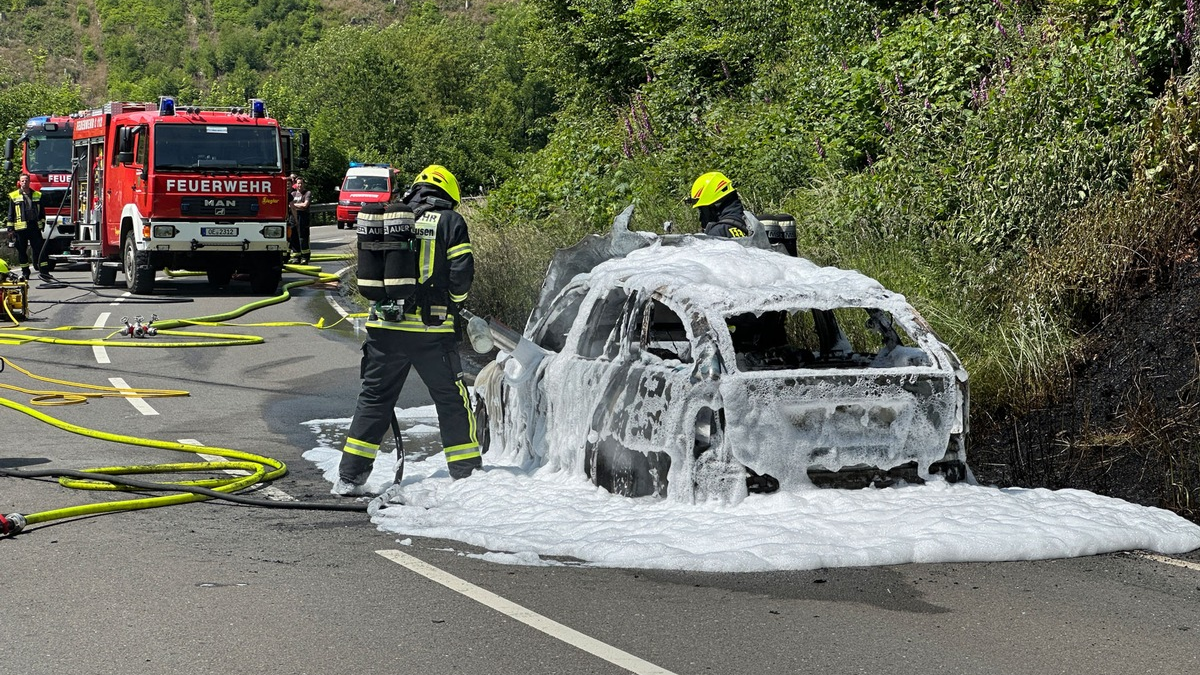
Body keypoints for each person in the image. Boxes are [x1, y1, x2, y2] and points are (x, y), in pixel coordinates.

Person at [334, 164, 480, 496]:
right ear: (449, 193)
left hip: (383, 328)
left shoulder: (389, 217)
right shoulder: (450, 221)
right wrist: (453, 304)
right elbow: (461, 275)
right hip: (432, 331)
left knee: (374, 400)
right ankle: (467, 475)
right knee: (451, 400)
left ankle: (349, 477)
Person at [7, 174, 50, 281]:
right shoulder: (14, 196)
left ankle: (44, 272)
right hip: (20, 229)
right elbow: (11, 213)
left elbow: (42, 212)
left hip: (34, 227)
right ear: (19, 182)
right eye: (22, 180)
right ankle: (25, 272)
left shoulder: (37, 195)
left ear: (29, 181)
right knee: (22, 251)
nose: (24, 182)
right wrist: (10, 229)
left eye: (26, 180)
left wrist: (42, 224)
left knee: (39, 250)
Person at [689, 171, 749, 238]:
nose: (700, 218)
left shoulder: (718, 233)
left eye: (702, 210)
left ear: (714, 206)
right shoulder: (751, 223)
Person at [288, 177, 311, 263]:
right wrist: (297, 206)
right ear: (296, 184)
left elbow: (305, 205)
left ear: (304, 184)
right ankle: (296, 257)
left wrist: (293, 206)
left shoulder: (307, 193)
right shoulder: (293, 194)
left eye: (301, 183)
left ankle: (305, 257)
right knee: (293, 237)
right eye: (298, 183)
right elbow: (289, 205)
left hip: (303, 217)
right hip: (293, 217)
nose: (299, 185)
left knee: (303, 237)